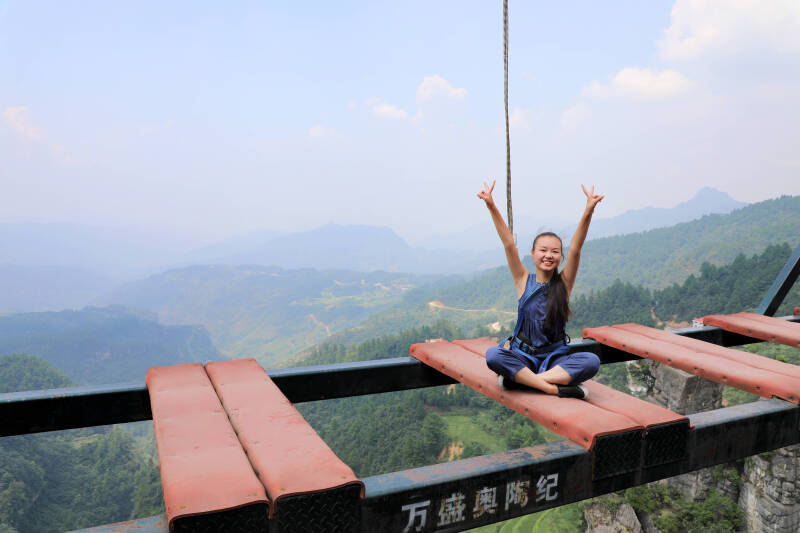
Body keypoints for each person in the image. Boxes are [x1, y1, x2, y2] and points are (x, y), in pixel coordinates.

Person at [477, 180, 603, 399]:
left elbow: (576, 247)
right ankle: (552, 387)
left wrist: (588, 210)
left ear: (560, 257)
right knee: (493, 355)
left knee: (591, 361)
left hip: (553, 359)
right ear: (533, 254)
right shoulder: (523, 279)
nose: (548, 255)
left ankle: (522, 380)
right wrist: (491, 205)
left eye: (554, 251)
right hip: (521, 355)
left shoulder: (563, 284)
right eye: (543, 250)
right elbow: (508, 244)